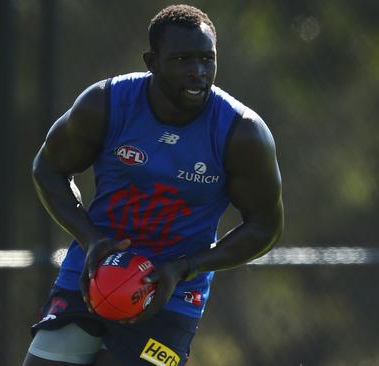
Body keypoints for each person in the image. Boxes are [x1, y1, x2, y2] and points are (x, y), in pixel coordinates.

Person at [23, 4, 283, 366]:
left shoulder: (242, 133)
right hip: (92, 277)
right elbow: (47, 169)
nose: (198, 72)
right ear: (152, 61)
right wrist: (91, 239)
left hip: (174, 295)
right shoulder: (106, 104)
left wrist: (185, 267)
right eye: (182, 60)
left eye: (207, 60)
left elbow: (265, 227)